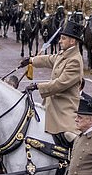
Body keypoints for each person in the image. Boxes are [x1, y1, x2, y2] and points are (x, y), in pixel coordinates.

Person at [19, 20, 85, 148]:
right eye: (60, 38)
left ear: (72, 41)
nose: (60, 41)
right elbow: (50, 59)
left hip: (64, 108)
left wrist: (38, 86)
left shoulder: (75, 60)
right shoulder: (64, 54)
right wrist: (31, 60)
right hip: (51, 104)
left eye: (63, 38)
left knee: (70, 137)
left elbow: (60, 84)